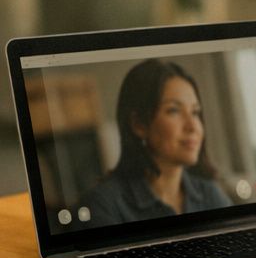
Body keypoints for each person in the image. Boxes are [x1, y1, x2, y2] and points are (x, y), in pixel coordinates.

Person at [82, 59, 232, 225]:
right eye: (174, 110)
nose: (193, 126)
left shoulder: (209, 194)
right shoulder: (105, 205)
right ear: (138, 124)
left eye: (195, 112)